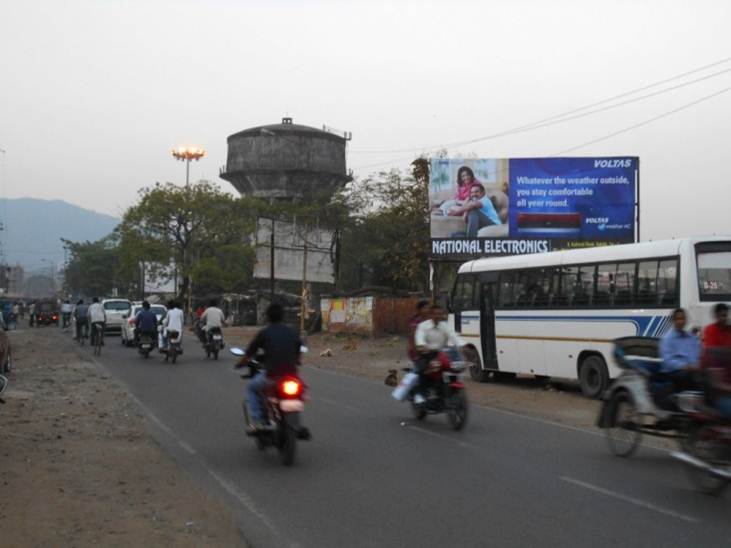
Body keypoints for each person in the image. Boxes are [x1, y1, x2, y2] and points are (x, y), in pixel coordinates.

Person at [235, 302, 302, 431]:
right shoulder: (293, 332)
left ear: (268, 317)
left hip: (271, 375)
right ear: (283, 316)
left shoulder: (264, 333)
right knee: (300, 391)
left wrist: (240, 364)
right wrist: (297, 361)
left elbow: (249, 354)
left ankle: (258, 420)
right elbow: (298, 352)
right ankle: (294, 422)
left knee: (251, 388)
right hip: (291, 375)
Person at [413, 304, 464, 404]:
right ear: (431, 314)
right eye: (436, 314)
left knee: (453, 368)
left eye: (441, 314)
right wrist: (422, 346)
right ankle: (421, 395)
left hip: (442, 355)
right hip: (427, 355)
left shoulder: (445, 326)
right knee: (424, 370)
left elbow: (454, 336)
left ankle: (445, 390)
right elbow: (419, 339)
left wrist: (463, 346)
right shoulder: (423, 326)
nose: (439, 316)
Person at [659, 308, 701, 393]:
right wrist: (684, 366)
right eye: (678, 319)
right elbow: (668, 361)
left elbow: (696, 355)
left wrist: (696, 366)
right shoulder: (667, 339)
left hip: (691, 370)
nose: (680, 321)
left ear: (686, 320)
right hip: (674, 372)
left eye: (682, 319)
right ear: (673, 321)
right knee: (687, 376)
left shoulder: (691, 337)